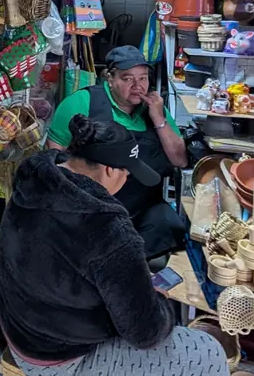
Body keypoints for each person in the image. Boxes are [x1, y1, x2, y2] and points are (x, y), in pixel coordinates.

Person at [0, 116, 228, 376]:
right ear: (109, 170)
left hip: (16, 330)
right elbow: (145, 333)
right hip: (58, 357)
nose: (128, 176)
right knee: (208, 351)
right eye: (127, 170)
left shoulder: (32, 182)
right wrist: (159, 306)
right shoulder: (107, 228)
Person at [47, 45, 188, 257]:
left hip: (142, 210)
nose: (137, 86)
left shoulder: (155, 109)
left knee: (170, 225)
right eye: (127, 78)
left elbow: (180, 160)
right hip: (93, 209)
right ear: (110, 79)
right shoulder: (82, 103)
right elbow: (54, 158)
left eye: (143, 78)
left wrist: (159, 118)